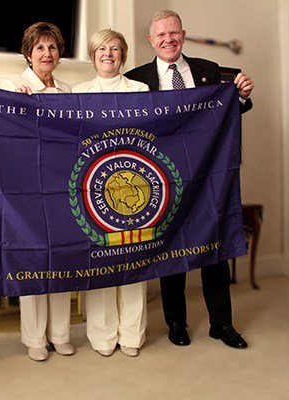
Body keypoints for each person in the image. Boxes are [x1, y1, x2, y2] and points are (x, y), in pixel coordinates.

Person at [125, 9, 254, 349]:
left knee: (215, 248)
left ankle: (222, 324)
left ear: (183, 34)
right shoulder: (136, 78)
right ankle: (176, 323)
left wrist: (240, 96)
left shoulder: (209, 71)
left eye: (173, 33)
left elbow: (228, 112)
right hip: (164, 179)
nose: (168, 39)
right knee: (170, 252)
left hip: (208, 175)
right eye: (160, 35)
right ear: (151, 41)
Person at [0, 22, 74, 362]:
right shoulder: (11, 86)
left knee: (60, 258)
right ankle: (34, 339)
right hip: (27, 188)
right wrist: (18, 105)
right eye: (40, 48)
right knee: (33, 260)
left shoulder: (69, 91)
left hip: (61, 186)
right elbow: (1, 132)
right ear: (28, 54)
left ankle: (60, 335)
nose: (47, 54)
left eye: (53, 48)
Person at [72, 29, 149, 357]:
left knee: (133, 259)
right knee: (101, 259)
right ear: (93, 55)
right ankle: (103, 337)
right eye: (102, 48)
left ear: (123, 54)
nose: (108, 53)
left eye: (115, 48)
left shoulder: (141, 89)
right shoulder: (78, 91)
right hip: (95, 185)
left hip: (133, 181)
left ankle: (132, 335)